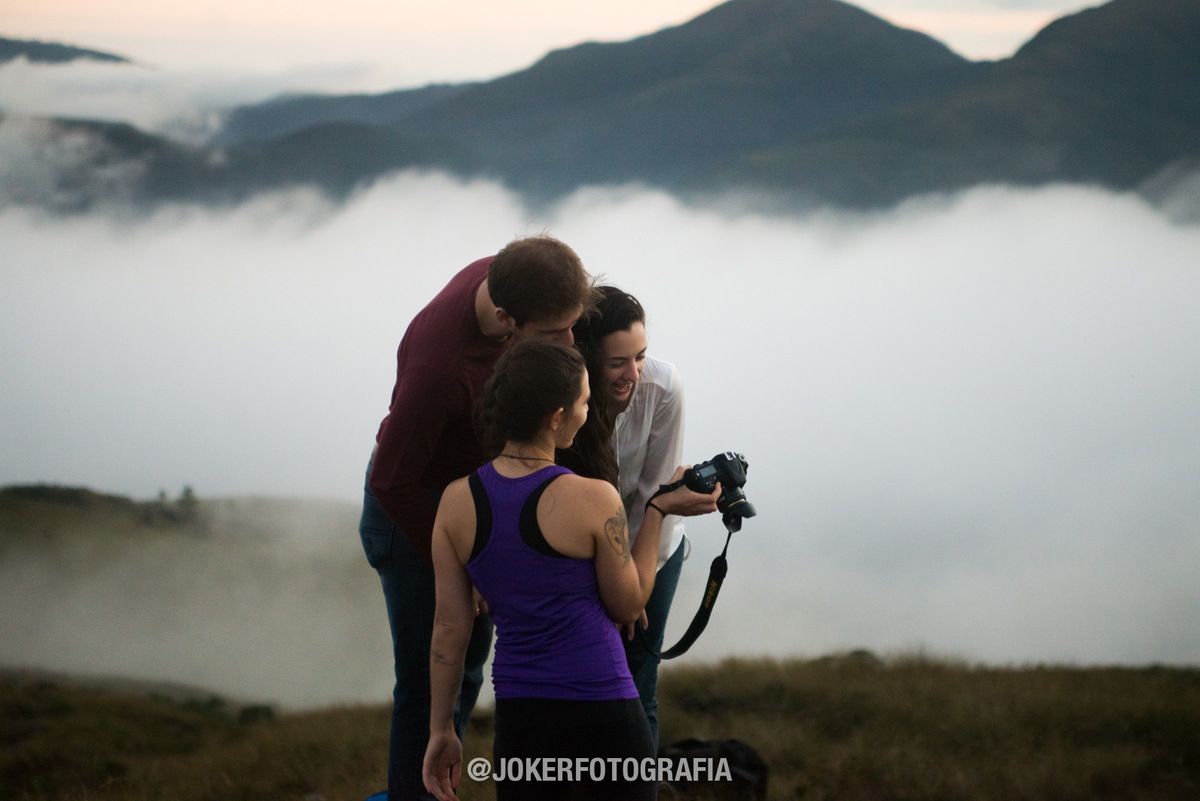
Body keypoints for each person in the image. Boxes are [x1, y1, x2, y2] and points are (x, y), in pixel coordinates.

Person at [422, 340, 719, 801]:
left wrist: (441, 728)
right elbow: (629, 602)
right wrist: (658, 509)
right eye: (583, 402)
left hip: (523, 720)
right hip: (606, 714)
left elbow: (449, 630)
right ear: (555, 417)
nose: (588, 412)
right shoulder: (594, 499)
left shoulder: (456, 504)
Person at [359, 235, 594, 800]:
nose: (570, 342)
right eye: (554, 332)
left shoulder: (508, 275)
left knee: (465, 673)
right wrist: (466, 564)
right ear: (508, 319)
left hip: (473, 504)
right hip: (415, 509)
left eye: (573, 325)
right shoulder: (440, 369)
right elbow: (392, 479)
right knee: (429, 685)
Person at [559, 286, 686, 750]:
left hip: (653, 544)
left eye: (641, 356)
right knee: (581, 688)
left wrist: (627, 588)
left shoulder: (663, 386)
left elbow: (656, 494)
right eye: (617, 363)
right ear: (589, 358)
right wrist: (608, 588)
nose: (633, 373)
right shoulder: (562, 396)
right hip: (580, 552)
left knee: (636, 686)